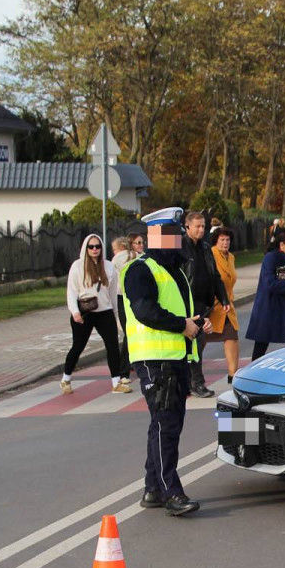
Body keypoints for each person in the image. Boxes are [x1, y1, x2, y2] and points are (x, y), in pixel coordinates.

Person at [122, 207, 210, 515]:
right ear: (153, 238)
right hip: (153, 359)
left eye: (176, 234)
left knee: (164, 424)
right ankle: (171, 491)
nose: (176, 241)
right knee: (166, 425)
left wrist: (197, 323)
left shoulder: (173, 270)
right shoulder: (140, 270)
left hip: (175, 357)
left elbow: (179, 311)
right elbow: (145, 311)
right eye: (169, 235)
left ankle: (153, 490)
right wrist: (181, 325)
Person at [63, 234, 130, 394]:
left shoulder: (108, 266)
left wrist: (115, 313)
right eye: (91, 247)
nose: (94, 250)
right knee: (78, 347)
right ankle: (66, 378)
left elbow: (113, 292)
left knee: (112, 345)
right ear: (85, 248)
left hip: (104, 312)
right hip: (85, 312)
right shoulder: (77, 266)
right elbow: (71, 291)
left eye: (97, 247)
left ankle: (116, 381)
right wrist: (75, 311)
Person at [181, 210, 230, 398]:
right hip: (187, 304)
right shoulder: (180, 248)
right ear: (187, 227)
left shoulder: (205, 247)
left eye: (203, 226)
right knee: (193, 344)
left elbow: (215, 275)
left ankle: (193, 383)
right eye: (198, 226)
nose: (202, 230)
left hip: (202, 303)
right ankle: (194, 383)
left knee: (197, 345)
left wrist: (223, 297)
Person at [246, 232, 285, 360]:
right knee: (260, 347)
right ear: (282, 245)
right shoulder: (270, 258)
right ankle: (252, 374)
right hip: (269, 308)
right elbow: (269, 284)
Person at [207, 225, 241, 382]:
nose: (225, 243)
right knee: (200, 341)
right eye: (222, 240)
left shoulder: (231, 257)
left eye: (227, 240)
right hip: (212, 304)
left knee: (232, 337)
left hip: (227, 305)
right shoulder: (210, 254)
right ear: (216, 241)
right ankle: (193, 376)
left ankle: (233, 373)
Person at [111, 233, 144, 385]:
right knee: (130, 333)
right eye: (138, 242)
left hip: (126, 297)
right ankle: (126, 369)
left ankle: (126, 368)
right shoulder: (133, 257)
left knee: (130, 333)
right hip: (129, 297)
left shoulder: (132, 257)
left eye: (142, 242)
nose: (141, 245)